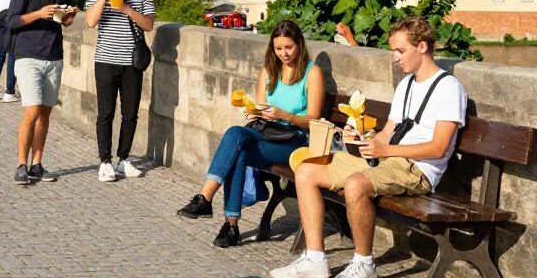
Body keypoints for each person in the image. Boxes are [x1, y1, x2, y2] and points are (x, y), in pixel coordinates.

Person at [271, 17, 467, 278]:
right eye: (393, 51)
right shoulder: (407, 84)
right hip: (388, 160)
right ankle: (315, 260)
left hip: (417, 169)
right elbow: (387, 134)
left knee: (355, 184)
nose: (395, 58)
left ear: (422, 46)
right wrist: (361, 140)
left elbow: (438, 148)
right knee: (306, 171)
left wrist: (385, 151)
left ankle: (364, 264)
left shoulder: (449, 88)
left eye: (400, 51)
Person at [178, 20, 325, 249]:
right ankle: (223, 217)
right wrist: (255, 112)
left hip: (293, 142)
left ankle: (212, 207)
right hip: (266, 133)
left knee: (238, 148)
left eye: (289, 47)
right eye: (278, 48)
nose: (284, 54)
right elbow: (262, 108)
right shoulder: (268, 71)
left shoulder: (311, 72)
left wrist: (285, 115)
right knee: (236, 138)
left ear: (299, 45)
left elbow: (314, 119)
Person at [7, 0, 78, 184]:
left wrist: (67, 17)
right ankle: (21, 165)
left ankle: (37, 164)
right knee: (32, 111)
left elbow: (66, 22)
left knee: (45, 113)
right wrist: (39, 13)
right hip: (28, 55)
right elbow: (11, 21)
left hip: (54, 55)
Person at [84, 0, 156, 183]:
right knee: (105, 113)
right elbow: (90, 21)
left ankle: (123, 158)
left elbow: (149, 24)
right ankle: (105, 161)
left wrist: (126, 8)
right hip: (106, 58)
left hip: (131, 60)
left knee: (130, 114)